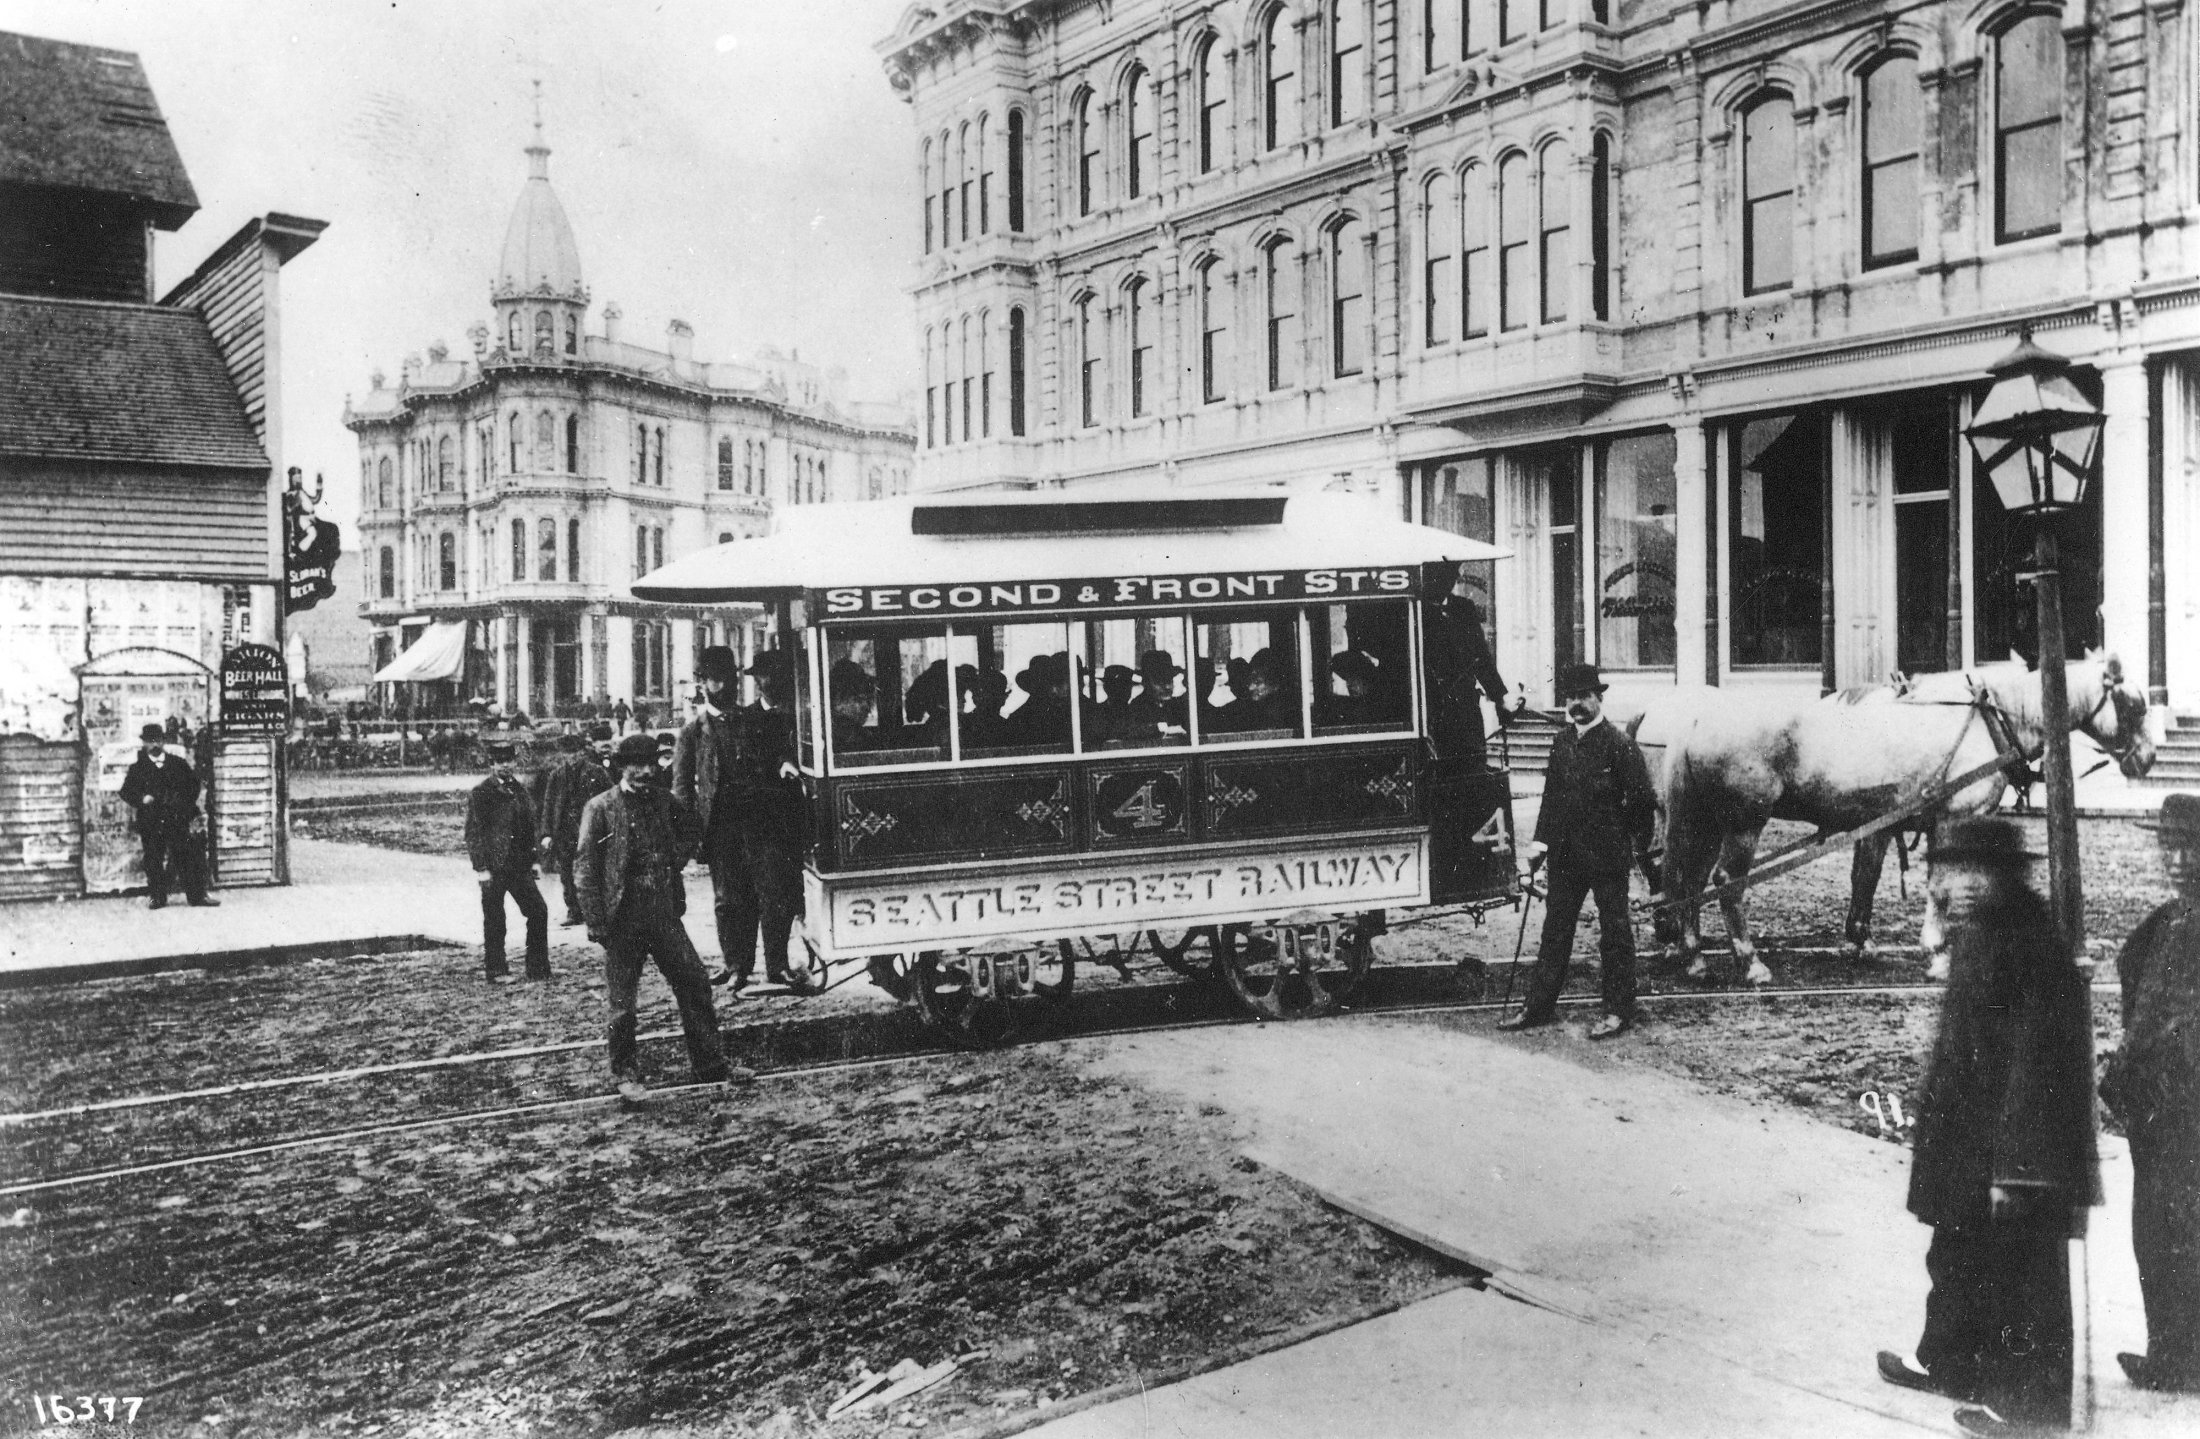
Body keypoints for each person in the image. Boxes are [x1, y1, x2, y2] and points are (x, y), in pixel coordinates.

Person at [1877, 817, 2097, 1436]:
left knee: (2026, 1281)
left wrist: (2017, 1168)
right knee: (1955, 1253)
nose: (1959, 887)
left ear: (2005, 877)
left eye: (1975, 872)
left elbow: (2039, 1065)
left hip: (2016, 1151)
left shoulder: (2032, 943)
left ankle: (2033, 1411)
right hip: (1969, 1141)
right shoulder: (1983, 935)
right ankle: (1953, 1364)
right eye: (1951, 873)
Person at [576, 733, 747, 1102]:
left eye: (649, 764)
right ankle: (625, 1075)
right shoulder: (601, 807)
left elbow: (691, 830)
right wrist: (595, 922)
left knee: (695, 982)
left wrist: (676, 858)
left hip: (663, 912)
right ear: (621, 767)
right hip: (622, 918)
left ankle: (710, 1064)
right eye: (634, 765)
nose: (643, 771)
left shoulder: (663, 800)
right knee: (622, 1003)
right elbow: (585, 868)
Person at [2100, 792, 2200, 1394]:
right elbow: (2130, 972)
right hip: (2154, 1111)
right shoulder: (2162, 923)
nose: (2180, 859)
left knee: (2187, 1231)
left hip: (2190, 1110)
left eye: (2192, 848)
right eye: (2171, 847)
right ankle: (2168, 1353)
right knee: (2153, 1233)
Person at [1499, 663, 1655, 1040]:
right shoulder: (1562, 743)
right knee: (1556, 931)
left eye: (1584, 696)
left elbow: (1641, 803)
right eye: (1570, 697)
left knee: (1615, 933)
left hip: (1607, 857)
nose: (1576, 704)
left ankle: (1619, 1010)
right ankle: (1537, 1008)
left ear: (1599, 697)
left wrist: (1633, 851)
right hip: (1566, 858)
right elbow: (1551, 800)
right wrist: (1538, 847)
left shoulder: (1620, 746)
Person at [674, 646, 809, 993]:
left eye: (729, 678)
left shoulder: (756, 719)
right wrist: (688, 830)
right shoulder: (692, 732)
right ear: (702, 683)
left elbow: (780, 750)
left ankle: (776, 967)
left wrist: (784, 763)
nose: (725, 685)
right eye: (716, 679)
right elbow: (682, 788)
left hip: (761, 820)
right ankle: (736, 966)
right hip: (720, 826)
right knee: (729, 899)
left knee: (771, 892)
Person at [464, 740, 549, 982]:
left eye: (509, 761)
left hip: (519, 865)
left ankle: (538, 968)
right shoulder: (481, 793)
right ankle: (496, 971)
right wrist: (481, 868)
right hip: (493, 866)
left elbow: (529, 827)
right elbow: (473, 833)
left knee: (538, 912)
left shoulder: (520, 790)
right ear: (492, 764)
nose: (505, 766)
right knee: (495, 919)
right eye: (500, 762)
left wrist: (533, 861)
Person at [1424, 564, 1521, 760]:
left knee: (1472, 765)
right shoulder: (1416, 609)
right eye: (1441, 577)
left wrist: (1500, 698)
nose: (1450, 582)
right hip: (1430, 710)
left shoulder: (1463, 609)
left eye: (1452, 576)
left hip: (1465, 708)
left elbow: (1482, 658)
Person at [120, 724, 215, 910]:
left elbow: (193, 786)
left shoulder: (177, 763)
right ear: (144, 743)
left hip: (177, 819)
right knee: (154, 859)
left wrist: (182, 803)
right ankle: (157, 897)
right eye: (150, 741)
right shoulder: (138, 768)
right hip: (151, 821)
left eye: (157, 740)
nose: (154, 744)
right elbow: (125, 791)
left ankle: (196, 897)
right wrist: (141, 798)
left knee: (185, 857)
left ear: (163, 741)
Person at [540, 725, 615, 928]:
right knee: (566, 872)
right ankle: (574, 910)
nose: (572, 757)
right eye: (567, 753)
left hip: (590, 830)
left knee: (594, 869)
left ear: (583, 752)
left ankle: (597, 910)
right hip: (564, 831)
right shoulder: (556, 776)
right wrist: (546, 833)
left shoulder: (597, 773)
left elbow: (612, 800)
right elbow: (548, 805)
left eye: (575, 753)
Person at [1127, 650, 1188, 738]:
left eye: (1169, 680)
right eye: (1160, 682)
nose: (1167, 687)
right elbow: (1129, 731)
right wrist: (1160, 728)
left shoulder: (1177, 706)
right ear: (1146, 682)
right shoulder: (1137, 707)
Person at [829, 658, 882, 754]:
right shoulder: (847, 736)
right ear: (839, 699)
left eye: (869, 701)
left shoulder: (860, 734)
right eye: (860, 699)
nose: (868, 709)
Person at [1085, 664, 1138, 747]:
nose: (1120, 691)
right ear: (1106, 688)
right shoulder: (1096, 713)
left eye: (1125, 686)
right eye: (1114, 686)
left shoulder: (1137, 711)